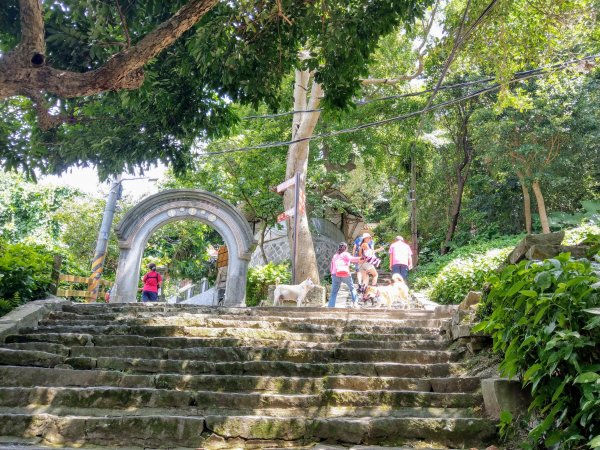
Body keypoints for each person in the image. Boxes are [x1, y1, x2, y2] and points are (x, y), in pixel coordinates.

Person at [328, 242, 361, 308]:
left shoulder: (335, 255)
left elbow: (331, 266)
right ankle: (355, 303)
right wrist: (361, 258)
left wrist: (332, 274)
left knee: (334, 292)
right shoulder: (345, 254)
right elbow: (352, 259)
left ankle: (330, 307)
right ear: (346, 248)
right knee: (352, 289)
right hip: (345, 274)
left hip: (335, 274)